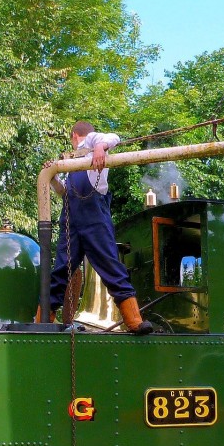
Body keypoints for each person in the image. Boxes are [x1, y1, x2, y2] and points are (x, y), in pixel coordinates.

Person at [46, 121, 152, 334]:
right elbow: (63, 192)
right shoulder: (71, 162)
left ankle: (134, 320)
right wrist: (53, 177)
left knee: (110, 265)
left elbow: (114, 137)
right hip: (71, 222)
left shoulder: (93, 141)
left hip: (95, 218)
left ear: (75, 135)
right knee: (60, 270)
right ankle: (43, 318)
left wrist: (97, 148)